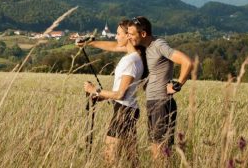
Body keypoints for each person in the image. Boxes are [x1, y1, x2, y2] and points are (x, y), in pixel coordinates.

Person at [78, 16, 193, 162]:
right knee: (141, 156)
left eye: (131, 34)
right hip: (152, 103)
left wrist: (177, 85)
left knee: (159, 155)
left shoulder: (157, 46)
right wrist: (89, 43)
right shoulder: (143, 47)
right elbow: (115, 46)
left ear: (143, 34)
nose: (128, 37)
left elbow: (187, 61)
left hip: (160, 103)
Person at [82, 19, 148, 165]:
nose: (116, 37)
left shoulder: (131, 61)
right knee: (132, 159)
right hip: (129, 109)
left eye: (118, 34)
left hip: (123, 111)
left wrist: (95, 90)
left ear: (128, 36)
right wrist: (100, 96)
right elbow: (123, 90)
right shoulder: (135, 57)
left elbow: (120, 94)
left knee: (109, 157)